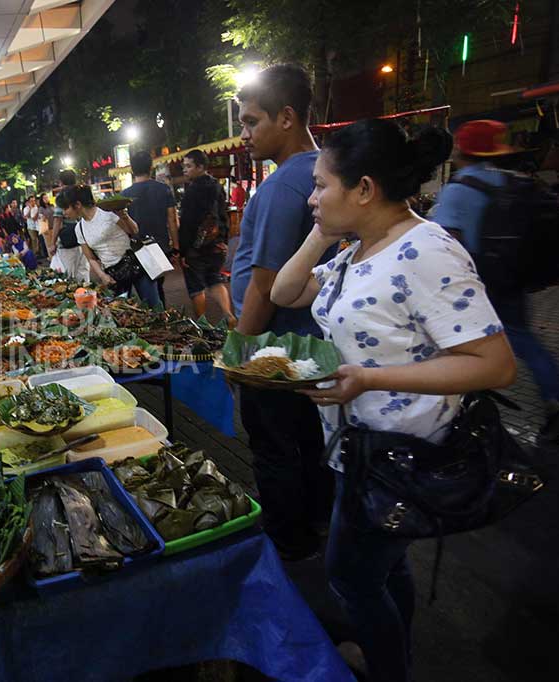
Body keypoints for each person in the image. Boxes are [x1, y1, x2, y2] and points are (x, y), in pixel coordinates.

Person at [271, 119, 517, 682]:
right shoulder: (359, 247)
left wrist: (368, 380)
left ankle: (387, 670)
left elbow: (496, 365)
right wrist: (322, 230)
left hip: (402, 454)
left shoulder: (427, 251)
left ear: (364, 189)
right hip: (357, 448)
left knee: (349, 578)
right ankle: (397, 649)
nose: (310, 197)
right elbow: (284, 292)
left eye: (320, 186)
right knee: (386, 566)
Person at [230, 64, 333, 560]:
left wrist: (238, 355)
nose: (244, 135)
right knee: (308, 442)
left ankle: (287, 544)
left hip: (273, 347)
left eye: (251, 122)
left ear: (287, 117)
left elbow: (264, 285)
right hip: (308, 343)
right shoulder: (319, 174)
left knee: (273, 447)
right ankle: (315, 523)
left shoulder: (283, 185)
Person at [430, 119, 559, 443]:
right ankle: (557, 400)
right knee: (523, 340)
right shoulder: (513, 181)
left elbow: (444, 244)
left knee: (464, 348)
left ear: (462, 149)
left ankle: (467, 415)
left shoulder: (459, 188)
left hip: (477, 286)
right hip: (513, 278)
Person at [58, 184, 161, 305]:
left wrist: (125, 216)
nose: (64, 213)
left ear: (78, 205)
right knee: (125, 311)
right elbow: (90, 258)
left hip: (135, 263)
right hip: (114, 274)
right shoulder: (79, 228)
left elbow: (133, 231)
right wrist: (102, 276)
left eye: (66, 208)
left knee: (153, 304)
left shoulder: (107, 213)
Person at [179, 150, 236, 324]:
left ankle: (203, 326)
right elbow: (223, 216)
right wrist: (223, 240)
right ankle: (228, 314)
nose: (185, 170)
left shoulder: (192, 191)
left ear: (200, 167)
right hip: (216, 244)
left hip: (195, 249)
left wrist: (182, 251)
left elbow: (187, 223)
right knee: (215, 280)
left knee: (196, 287)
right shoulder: (217, 186)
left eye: (189, 166)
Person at [123, 150, 179, 305]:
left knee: (148, 287)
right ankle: (161, 315)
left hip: (138, 248)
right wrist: (176, 246)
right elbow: (172, 220)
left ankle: (158, 314)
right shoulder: (164, 189)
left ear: (132, 169)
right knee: (157, 285)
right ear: (151, 167)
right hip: (160, 245)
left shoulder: (125, 195)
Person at [50, 169, 89, 282]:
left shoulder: (62, 197)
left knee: (67, 275)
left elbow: (57, 221)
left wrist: (52, 243)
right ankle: (85, 296)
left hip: (67, 241)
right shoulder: (80, 194)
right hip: (83, 239)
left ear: (61, 182)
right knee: (82, 272)